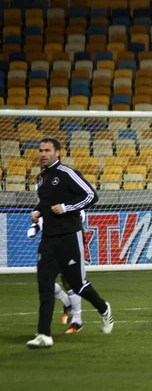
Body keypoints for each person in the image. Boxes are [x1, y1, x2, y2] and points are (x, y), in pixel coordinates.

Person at [27, 137, 113, 348]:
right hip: (48, 240)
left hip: (69, 237)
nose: (43, 154)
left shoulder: (67, 173)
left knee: (76, 285)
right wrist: (38, 210)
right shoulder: (41, 178)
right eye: (41, 150)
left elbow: (91, 196)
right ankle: (44, 334)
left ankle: (103, 309)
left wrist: (66, 207)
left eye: (47, 150)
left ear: (58, 153)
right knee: (44, 286)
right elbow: (45, 201)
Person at [28, 212, 86, 334]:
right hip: (49, 246)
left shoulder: (70, 199)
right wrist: (34, 227)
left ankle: (77, 321)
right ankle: (66, 302)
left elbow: (80, 216)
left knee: (69, 281)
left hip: (69, 244)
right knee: (44, 280)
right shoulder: (45, 201)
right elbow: (38, 218)